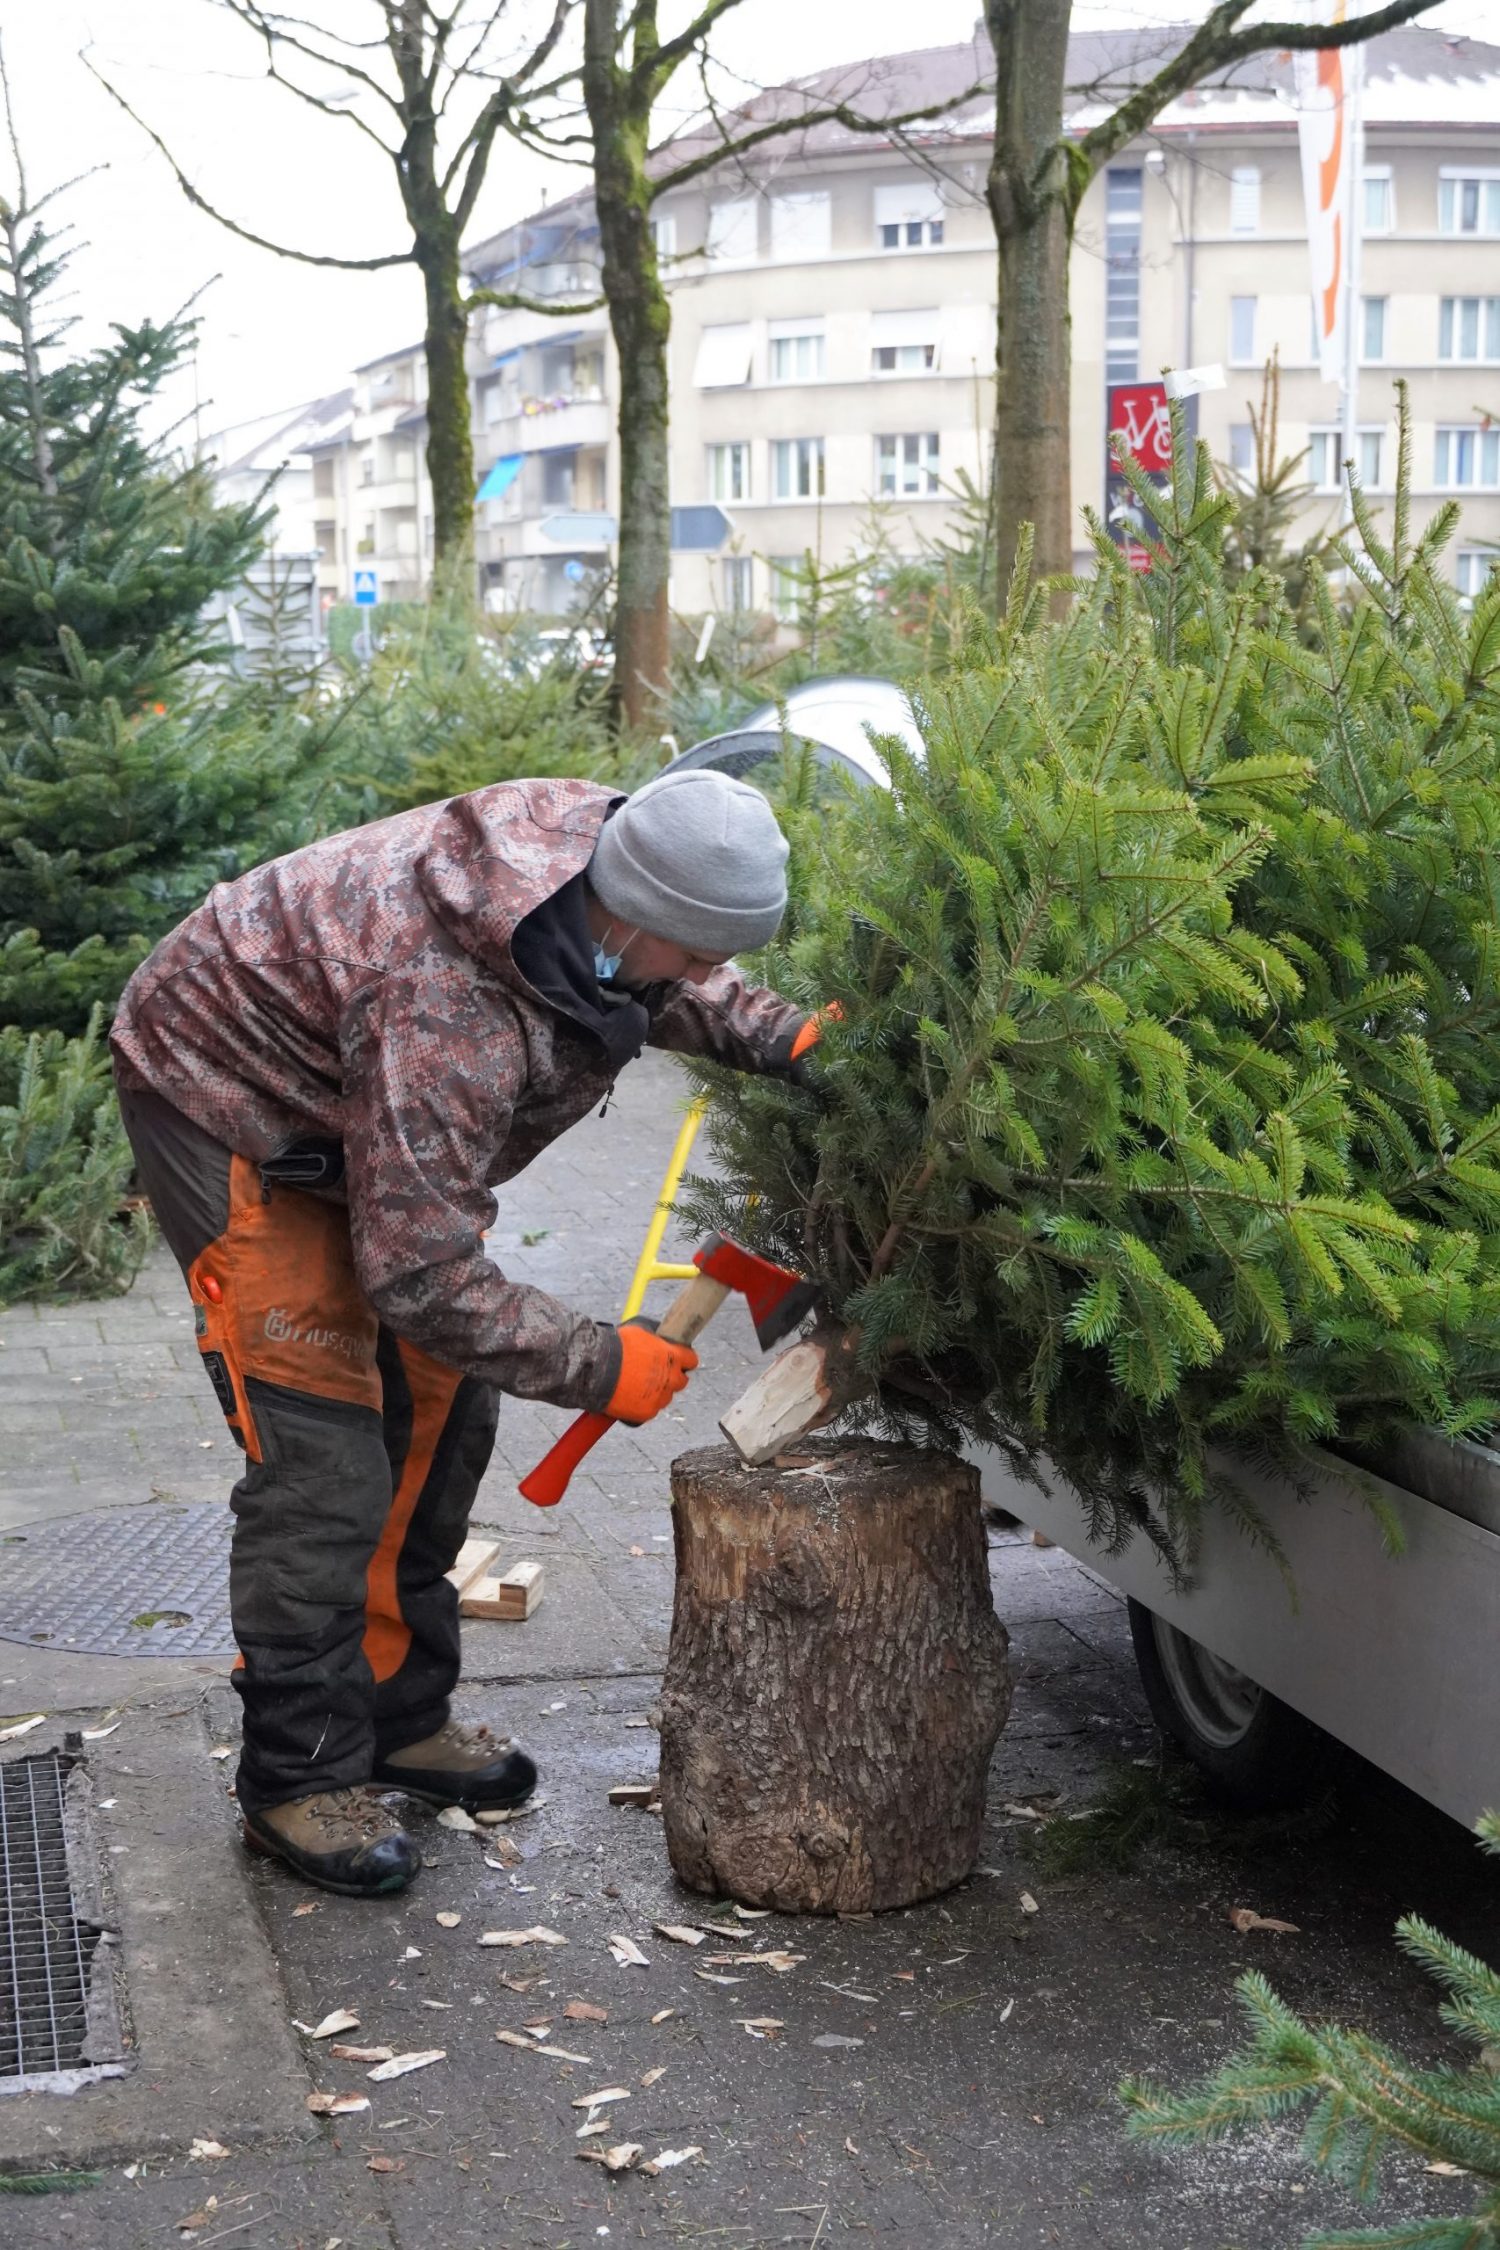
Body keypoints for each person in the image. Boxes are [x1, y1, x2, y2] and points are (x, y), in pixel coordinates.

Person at [111, 767, 819, 1898]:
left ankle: (399, 1715)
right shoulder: (446, 998)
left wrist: (796, 1039)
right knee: (326, 1455)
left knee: (443, 1414)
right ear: (627, 915)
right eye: (692, 954)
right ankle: (298, 1776)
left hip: (365, 1107)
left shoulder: (616, 860)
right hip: (229, 1098)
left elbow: (674, 978)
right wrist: (599, 1363)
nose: (702, 979)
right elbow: (425, 1272)